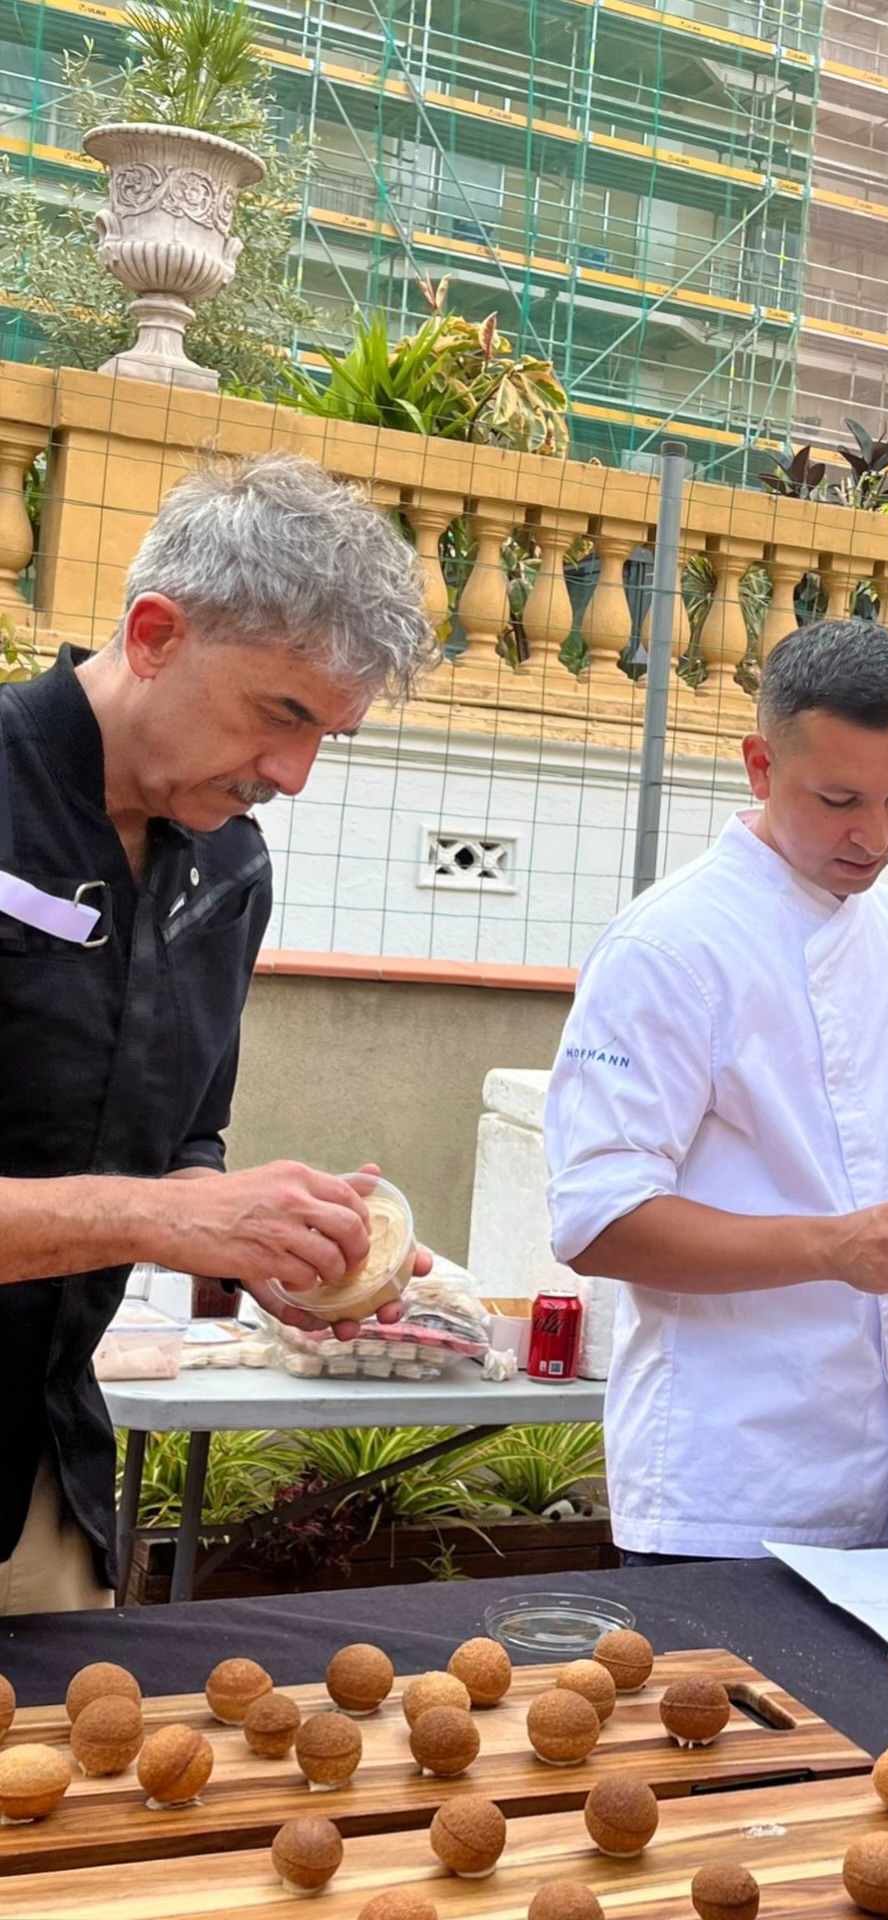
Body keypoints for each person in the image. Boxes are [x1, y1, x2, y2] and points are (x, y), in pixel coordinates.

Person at [544, 619, 888, 1561]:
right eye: (840, 798)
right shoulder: (669, 947)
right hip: (736, 1493)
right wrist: (835, 1246)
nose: (875, 834)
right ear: (761, 766)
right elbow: (598, 1225)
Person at [0, 451, 436, 1612]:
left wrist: (270, 1247)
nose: (291, 773)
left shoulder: (228, 867)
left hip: (46, 1486)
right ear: (154, 635)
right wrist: (166, 1217)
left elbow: (186, 1137)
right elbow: (158, 1200)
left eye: (325, 739)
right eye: (280, 715)